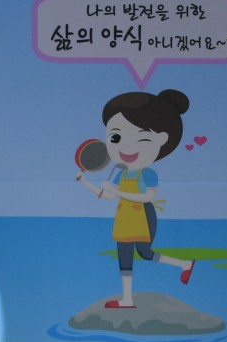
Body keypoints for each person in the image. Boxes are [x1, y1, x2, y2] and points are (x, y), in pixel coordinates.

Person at [75, 89, 196, 308]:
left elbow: (146, 197)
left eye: (141, 138)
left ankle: (185, 264)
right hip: (123, 218)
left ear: (161, 139)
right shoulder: (121, 173)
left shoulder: (148, 173)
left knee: (146, 253)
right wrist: (85, 182)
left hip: (143, 215)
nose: (125, 146)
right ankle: (127, 299)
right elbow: (107, 196)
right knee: (124, 258)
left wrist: (118, 191)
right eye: (116, 138)